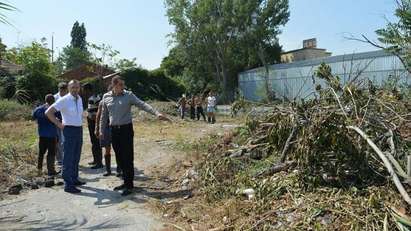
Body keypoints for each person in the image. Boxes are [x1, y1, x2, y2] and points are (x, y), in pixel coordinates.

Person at [100, 76, 170, 196]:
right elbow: (104, 115)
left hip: (126, 129)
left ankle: (129, 185)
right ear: (114, 85)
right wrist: (101, 130)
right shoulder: (106, 97)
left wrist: (156, 113)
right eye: (121, 85)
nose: (123, 87)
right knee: (119, 157)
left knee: (127, 157)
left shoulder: (129, 95)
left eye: (123, 84)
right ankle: (125, 181)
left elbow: (142, 104)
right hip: (113, 130)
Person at [46, 80, 85, 194]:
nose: (75, 89)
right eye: (73, 87)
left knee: (76, 155)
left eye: (77, 87)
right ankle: (68, 184)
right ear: (68, 88)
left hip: (79, 129)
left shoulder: (79, 98)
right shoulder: (64, 100)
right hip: (68, 130)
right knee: (68, 157)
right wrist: (58, 124)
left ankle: (74, 178)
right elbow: (48, 112)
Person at [94, 85, 122, 177]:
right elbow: (98, 115)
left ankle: (119, 169)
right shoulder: (103, 101)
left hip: (116, 127)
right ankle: (108, 170)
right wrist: (97, 128)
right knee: (107, 149)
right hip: (105, 128)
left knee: (118, 149)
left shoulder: (119, 101)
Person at [32, 94, 59, 176]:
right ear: (54, 101)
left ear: (45, 100)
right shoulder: (55, 110)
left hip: (42, 135)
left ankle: (39, 170)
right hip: (51, 135)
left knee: (41, 153)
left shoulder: (38, 109)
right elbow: (60, 119)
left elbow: (33, 117)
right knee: (51, 153)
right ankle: (51, 171)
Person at [83, 83, 103, 169]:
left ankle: (99, 163)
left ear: (88, 90)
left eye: (84, 90)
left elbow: (99, 110)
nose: (84, 92)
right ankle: (95, 160)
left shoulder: (94, 97)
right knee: (93, 142)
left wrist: (97, 123)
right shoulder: (91, 98)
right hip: (91, 122)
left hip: (94, 122)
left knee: (96, 142)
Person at [54, 82, 68, 166]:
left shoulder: (69, 97)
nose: (63, 92)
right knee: (58, 140)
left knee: (66, 141)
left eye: (65, 91)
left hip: (67, 122)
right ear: (59, 90)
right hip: (57, 122)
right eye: (62, 90)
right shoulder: (55, 97)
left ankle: (66, 158)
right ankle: (59, 159)